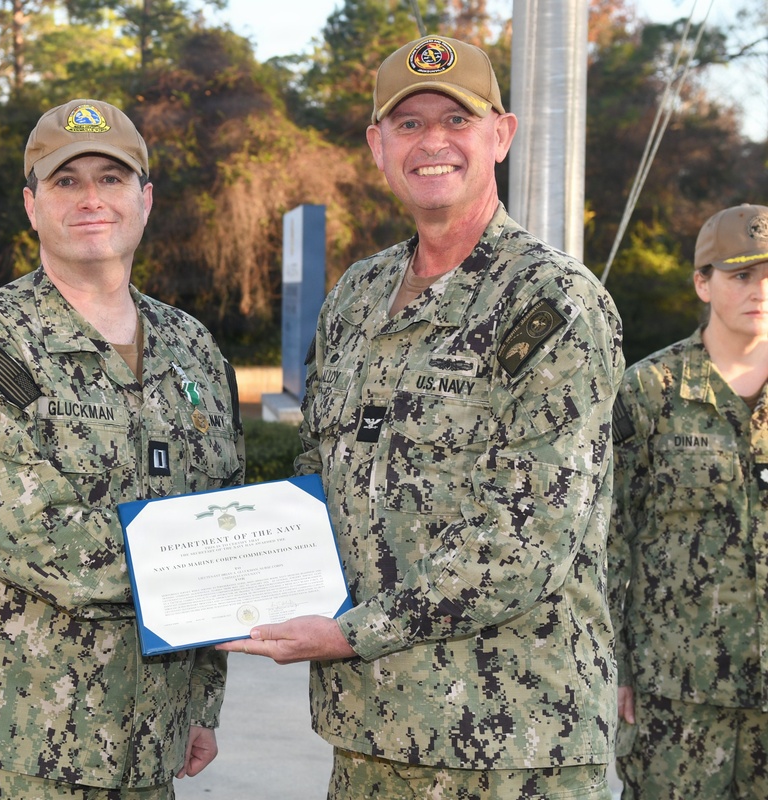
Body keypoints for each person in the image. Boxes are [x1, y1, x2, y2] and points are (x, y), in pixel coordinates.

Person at [217, 34, 625, 798]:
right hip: (370, 734)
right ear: (377, 145)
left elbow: (531, 537)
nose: (432, 142)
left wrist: (348, 632)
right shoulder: (355, 299)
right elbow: (318, 483)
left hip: (514, 741)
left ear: (499, 135)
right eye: (408, 124)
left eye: (456, 120)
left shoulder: (552, 304)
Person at [0, 98, 245, 799]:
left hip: (147, 752)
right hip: (4, 750)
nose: (92, 198)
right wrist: (213, 576)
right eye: (66, 181)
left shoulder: (194, 351)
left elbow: (225, 510)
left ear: (145, 200)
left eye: (112, 179)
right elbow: (24, 534)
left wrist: (202, 699)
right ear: (32, 206)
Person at [607, 203, 768, 799]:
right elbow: (611, 537)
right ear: (703, 282)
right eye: (741, 275)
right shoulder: (649, 390)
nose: (759, 290)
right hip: (676, 694)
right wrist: (618, 667)